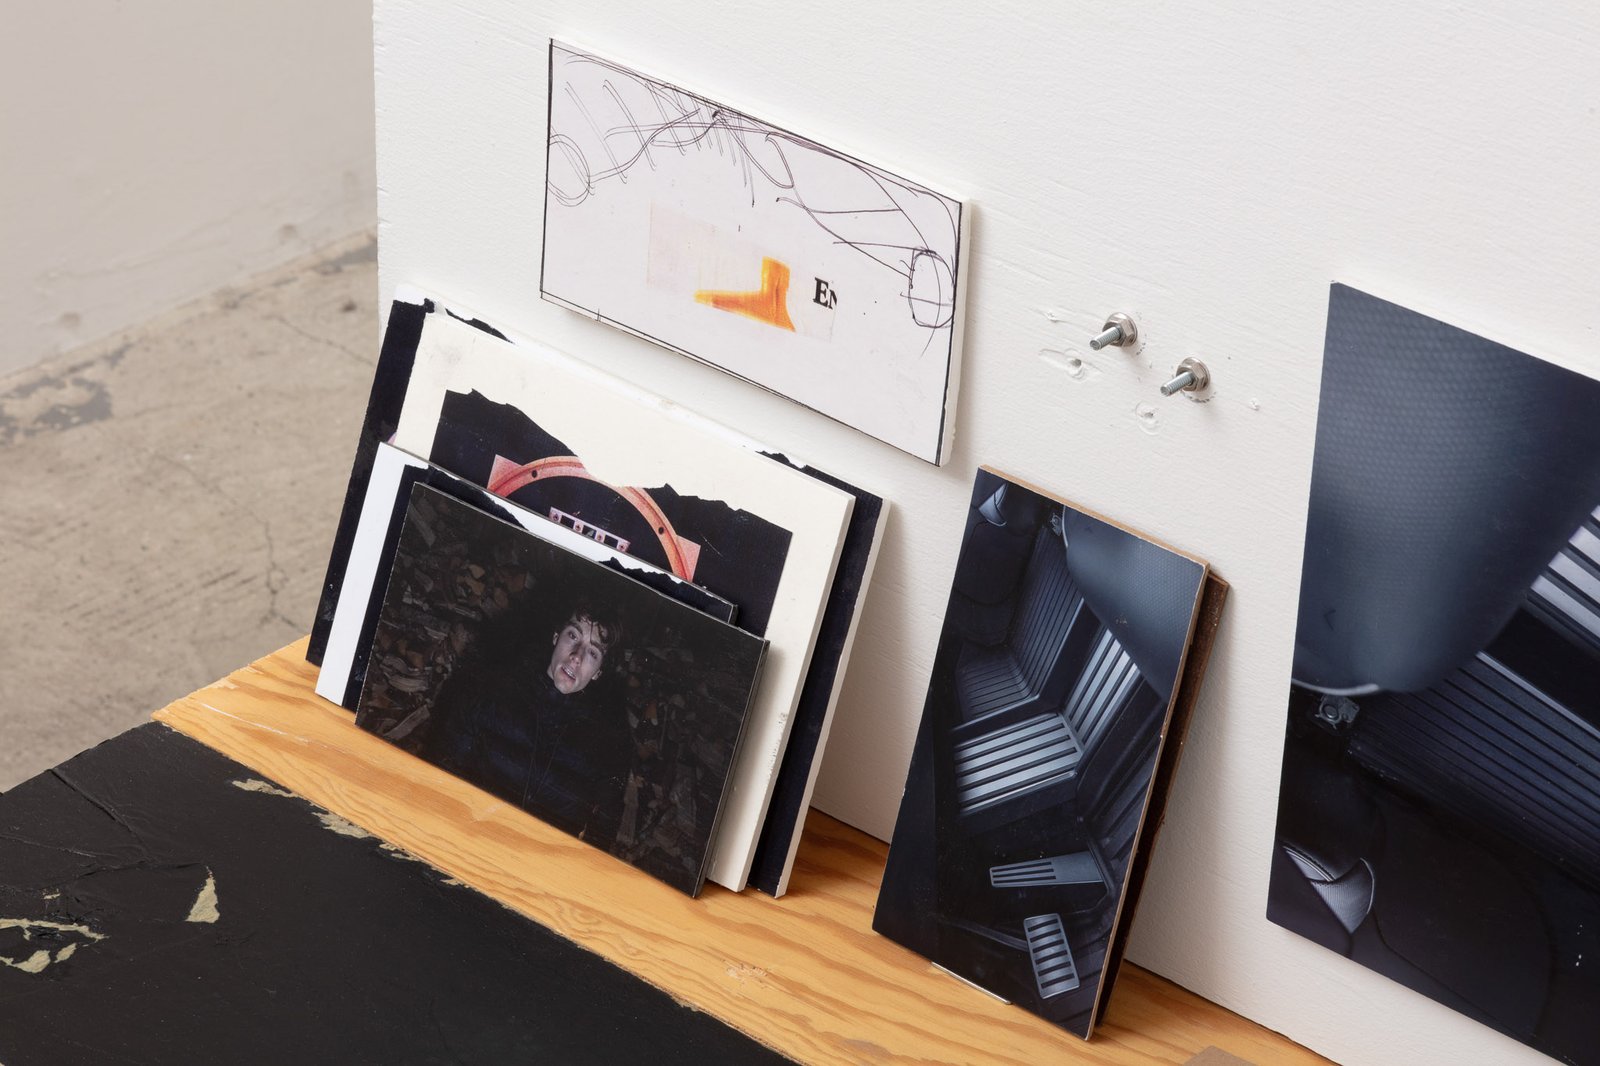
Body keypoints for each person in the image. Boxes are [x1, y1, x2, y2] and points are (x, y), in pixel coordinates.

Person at [410, 599, 632, 850]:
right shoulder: (492, 691)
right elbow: (443, 768)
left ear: (598, 672)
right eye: (573, 636)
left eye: (593, 653)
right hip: (466, 843)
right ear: (556, 636)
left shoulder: (604, 746)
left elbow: (602, 832)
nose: (576, 657)